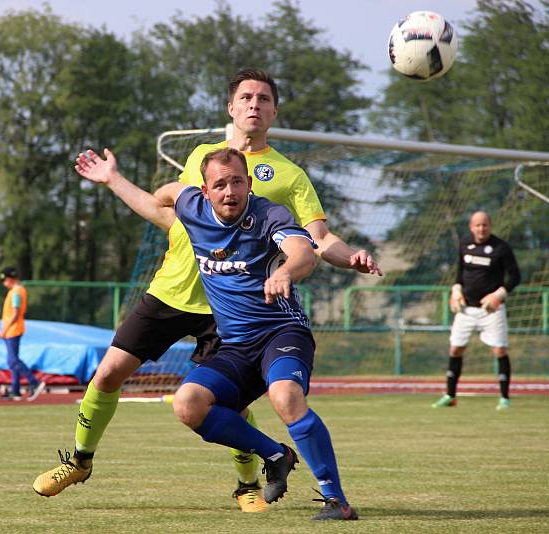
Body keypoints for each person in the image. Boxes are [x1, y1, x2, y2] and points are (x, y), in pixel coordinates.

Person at [33, 68, 380, 512]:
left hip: (239, 311)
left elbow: (315, 240)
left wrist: (347, 257)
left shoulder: (288, 178)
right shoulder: (204, 158)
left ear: (275, 111)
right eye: (246, 97)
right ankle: (80, 460)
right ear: (231, 107)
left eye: (264, 99)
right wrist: (115, 180)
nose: (255, 105)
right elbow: (171, 210)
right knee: (110, 374)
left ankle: (250, 483)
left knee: (246, 401)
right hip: (175, 288)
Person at [70, 146, 358, 520]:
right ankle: (275, 454)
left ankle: (337, 500)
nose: (230, 191)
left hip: (281, 333)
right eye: (220, 184)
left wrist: (286, 271)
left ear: (249, 184)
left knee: (285, 397)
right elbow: (162, 199)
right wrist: (112, 178)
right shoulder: (191, 207)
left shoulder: (270, 213)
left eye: (237, 182)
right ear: (204, 191)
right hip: (237, 346)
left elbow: (302, 250)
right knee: (187, 404)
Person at [432, 211, 521, 410]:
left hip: (491, 310)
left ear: (490, 226)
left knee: (499, 350)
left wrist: (498, 295)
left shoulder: (501, 248)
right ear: (471, 227)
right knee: (455, 349)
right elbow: (459, 274)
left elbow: (515, 277)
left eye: (485, 225)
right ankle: (450, 395)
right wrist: (455, 290)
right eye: (478, 225)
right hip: (466, 309)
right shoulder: (464, 244)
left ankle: (504, 398)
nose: (481, 229)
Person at [0, 267, 44, 402]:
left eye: (4, 280)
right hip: (13, 330)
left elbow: (15, 313)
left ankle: (34, 383)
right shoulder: (16, 291)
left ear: (9, 278)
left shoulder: (17, 292)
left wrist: (4, 329)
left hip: (13, 330)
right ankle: (15, 389)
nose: (3, 283)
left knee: (13, 360)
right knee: (12, 361)